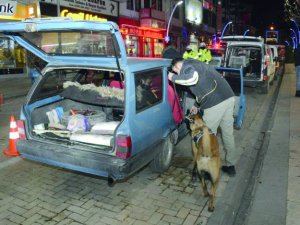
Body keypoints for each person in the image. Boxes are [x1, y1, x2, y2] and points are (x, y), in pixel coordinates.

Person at [168, 58, 237, 176]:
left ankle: (206, 169)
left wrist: (172, 78)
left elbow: (192, 79)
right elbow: (203, 86)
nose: (177, 74)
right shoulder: (196, 64)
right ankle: (231, 166)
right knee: (227, 134)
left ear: (177, 67)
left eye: (175, 71)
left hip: (215, 103)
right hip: (229, 98)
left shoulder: (187, 66)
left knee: (206, 137)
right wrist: (196, 104)